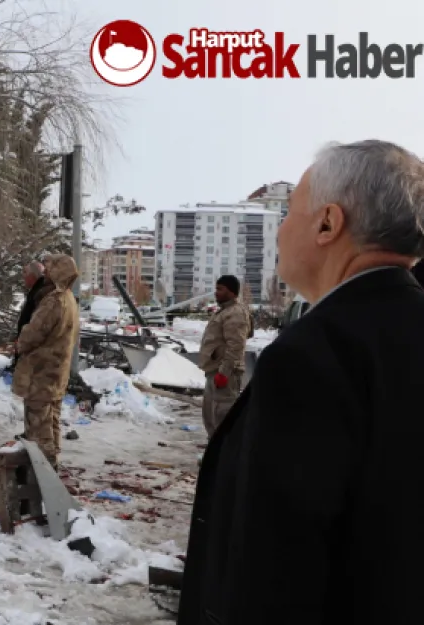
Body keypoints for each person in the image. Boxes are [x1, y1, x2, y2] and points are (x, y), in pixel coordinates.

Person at [179, 140, 424, 625]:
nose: (280, 232)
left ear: (328, 223)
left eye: (289, 213)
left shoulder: (313, 357)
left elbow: (276, 569)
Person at [12, 254, 80, 466]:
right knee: (51, 422)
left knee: (38, 428)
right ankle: (51, 465)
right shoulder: (69, 298)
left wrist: (19, 343)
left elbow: (33, 332)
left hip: (41, 371)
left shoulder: (53, 300)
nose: (46, 273)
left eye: (50, 269)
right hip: (56, 371)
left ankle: (43, 471)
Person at [196, 274, 250, 436]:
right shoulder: (224, 311)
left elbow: (236, 346)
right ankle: (215, 456)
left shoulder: (235, 313)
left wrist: (224, 372)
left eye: (221, 289)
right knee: (211, 418)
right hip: (214, 372)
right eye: (216, 288)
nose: (216, 292)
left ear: (232, 292)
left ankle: (227, 457)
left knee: (223, 418)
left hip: (225, 374)